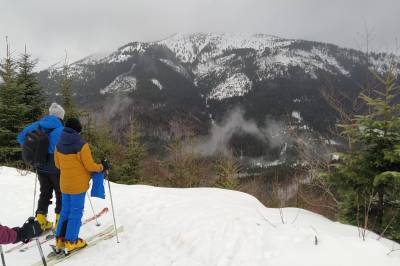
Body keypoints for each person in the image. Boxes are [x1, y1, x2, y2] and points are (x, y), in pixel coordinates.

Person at [54, 118, 105, 253]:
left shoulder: (58, 144)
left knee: (65, 211)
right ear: (77, 130)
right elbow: (89, 166)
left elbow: (57, 164)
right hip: (78, 186)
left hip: (64, 184)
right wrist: (101, 167)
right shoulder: (82, 145)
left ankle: (59, 240)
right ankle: (71, 241)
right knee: (75, 213)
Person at [18, 103, 65, 231]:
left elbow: (21, 137)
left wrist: (36, 151)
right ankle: (59, 224)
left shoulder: (38, 124)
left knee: (45, 192)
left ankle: (41, 221)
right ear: (61, 117)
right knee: (61, 193)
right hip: (55, 166)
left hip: (40, 165)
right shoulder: (61, 129)